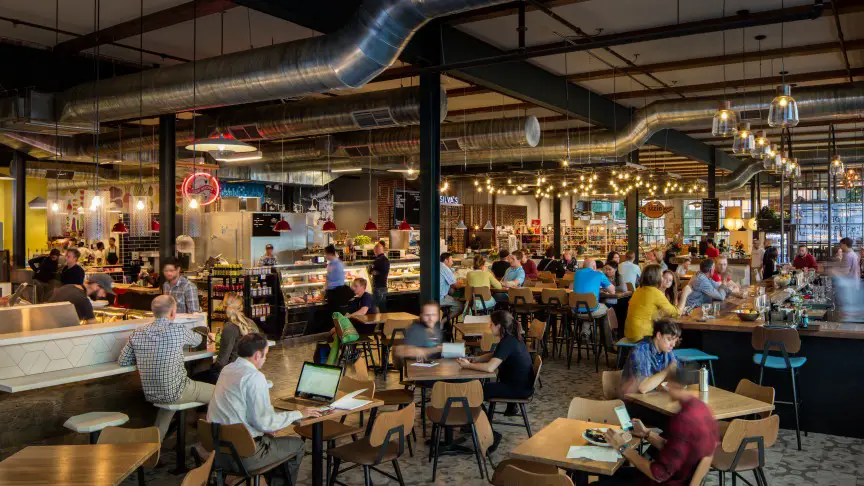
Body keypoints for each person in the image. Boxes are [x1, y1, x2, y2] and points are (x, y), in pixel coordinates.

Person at [207, 333, 318, 485]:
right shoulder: (254, 377)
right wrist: (299, 413)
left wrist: (266, 427)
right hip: (244, 455)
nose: (265, 359)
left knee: (271, 441)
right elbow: (265, 423)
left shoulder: (227, 369)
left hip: (217, 451)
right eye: (265, 355)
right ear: (257, 355)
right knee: (297, 446)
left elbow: (241, 411)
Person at [603, 364, 718, 486]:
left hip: (671, 481)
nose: (666, 388)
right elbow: (678, 452)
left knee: (605, 479)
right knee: (614, 475)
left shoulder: (683, 420)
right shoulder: (702, 408)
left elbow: (658, 475)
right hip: (684, 476)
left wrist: (622, 447)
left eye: (667, 384)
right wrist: (647, 434)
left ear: (676, 385)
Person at [118, 295, 214, 439]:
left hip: (152, 394)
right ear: (172, 313)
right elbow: (197, 340)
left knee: (166, 409)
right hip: (177, 391)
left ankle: (152, 453)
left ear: (153, 312)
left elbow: (123, 361)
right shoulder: (177, 330)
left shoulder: (137, 332)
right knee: (222, 394)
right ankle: (214, 443)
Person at [457, 310, 533, 449]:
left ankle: (490, 433)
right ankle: (472, 423)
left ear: (499, 326)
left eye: (491, 324)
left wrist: (469, 365)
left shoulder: (507, 342)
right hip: (519, 385)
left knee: (474, 392)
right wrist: (475, 359)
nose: (489, 327)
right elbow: (495, 354)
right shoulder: (511, 338)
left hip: (517, 389)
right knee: (476, 390)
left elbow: (490, 368)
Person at [200, 292, 261, 383]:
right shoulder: (250, 323)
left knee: (197, 376)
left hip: (233, 375)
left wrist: (212, 368)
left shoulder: (230, 326)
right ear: (241, 307)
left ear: (224, 307)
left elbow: (222, 361)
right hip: (251, 373)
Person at [624, 266, 690, 342]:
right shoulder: (655, 292)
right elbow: (676, 313)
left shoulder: (639, 289)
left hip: (629, 333)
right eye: (662, 275)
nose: (663, 278)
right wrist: (685, 294)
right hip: (642, 336)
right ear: (656, 277)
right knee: (674, 338)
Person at [620, 319, 681, 395]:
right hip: (632, 400)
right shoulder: (641, 351)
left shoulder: (667, 351)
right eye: (669, 339)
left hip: (652, 397)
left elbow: (675, 373)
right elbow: (642, 388)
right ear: (659, 335)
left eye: (675, 341)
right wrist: (667, 370)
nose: (673, 345)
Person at [48, 273, 114, 323]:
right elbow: (94, 328)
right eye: (104, 291)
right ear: (96, 286)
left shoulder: (68, 287)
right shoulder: (83, 300)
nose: (104, 296)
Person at [370, 243, 390, 312]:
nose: (374, 252)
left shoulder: (378, 260)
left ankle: (380, 322)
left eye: (374, 251)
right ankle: (384, 322)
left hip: (378, 287)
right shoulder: (386, 260)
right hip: (384, 287)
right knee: (383, 308)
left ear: (376, 251)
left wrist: (371, 269)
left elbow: (372, 272)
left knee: (378, 308)